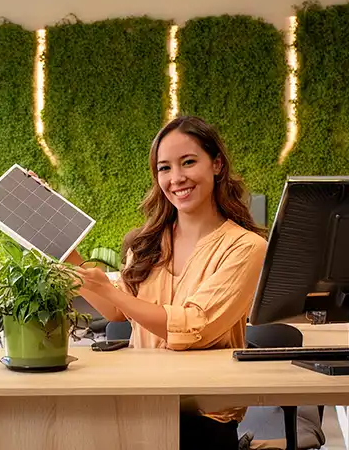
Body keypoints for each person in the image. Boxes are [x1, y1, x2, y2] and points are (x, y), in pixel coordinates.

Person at [66, 115, 269, 450]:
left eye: (188, 162)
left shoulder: (245, 247)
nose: (176, 178)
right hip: (142, 405)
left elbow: (194, 327)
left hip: (203, 421)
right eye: (164, 168)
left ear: (216, 164)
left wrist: (107, 288)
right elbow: (119, 314)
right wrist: (69, 254)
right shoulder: (147, 242)